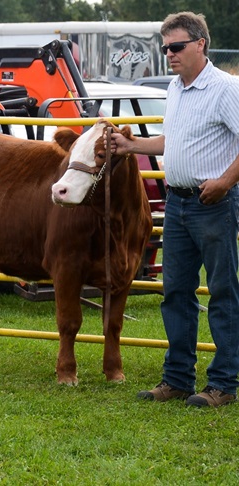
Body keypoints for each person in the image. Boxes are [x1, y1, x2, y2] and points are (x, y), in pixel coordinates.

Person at [110, 11, 239, 408]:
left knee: (222, 293)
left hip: (213, 203)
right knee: (176, 292)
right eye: (166, 47)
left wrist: (224, 182)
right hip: (179, 203)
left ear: (201, 44)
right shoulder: (176, 87)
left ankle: (222, 384)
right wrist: (132, 146)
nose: (169, 54)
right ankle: (178, 379)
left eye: (177, 47)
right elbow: (174, 140)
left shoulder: (225, 88)